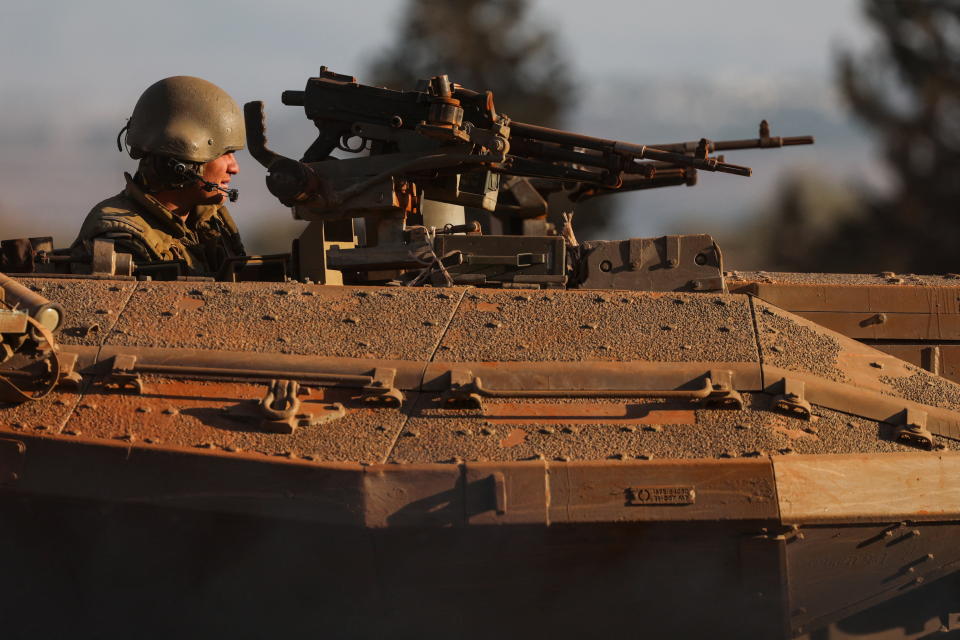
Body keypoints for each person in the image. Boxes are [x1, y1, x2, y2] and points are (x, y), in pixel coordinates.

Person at [72, 76, 246, 276]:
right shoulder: (120, 240)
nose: (234, 168)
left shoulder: (209, 224)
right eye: (224, 154)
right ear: (182, 163)